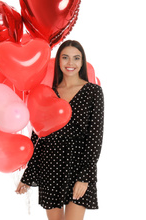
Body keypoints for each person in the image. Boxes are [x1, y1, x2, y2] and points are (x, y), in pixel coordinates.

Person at [16, 40, 104, 220]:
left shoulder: (93, 92)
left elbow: (95, 137)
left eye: (76, 58)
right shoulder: (48, 93)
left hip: (79, 163)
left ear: (82, 62)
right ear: (58, 62)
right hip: (51, 163)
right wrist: (28, 174)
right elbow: (38, 136)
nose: (70, 63)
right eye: (65, 58)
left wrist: (85, 176)